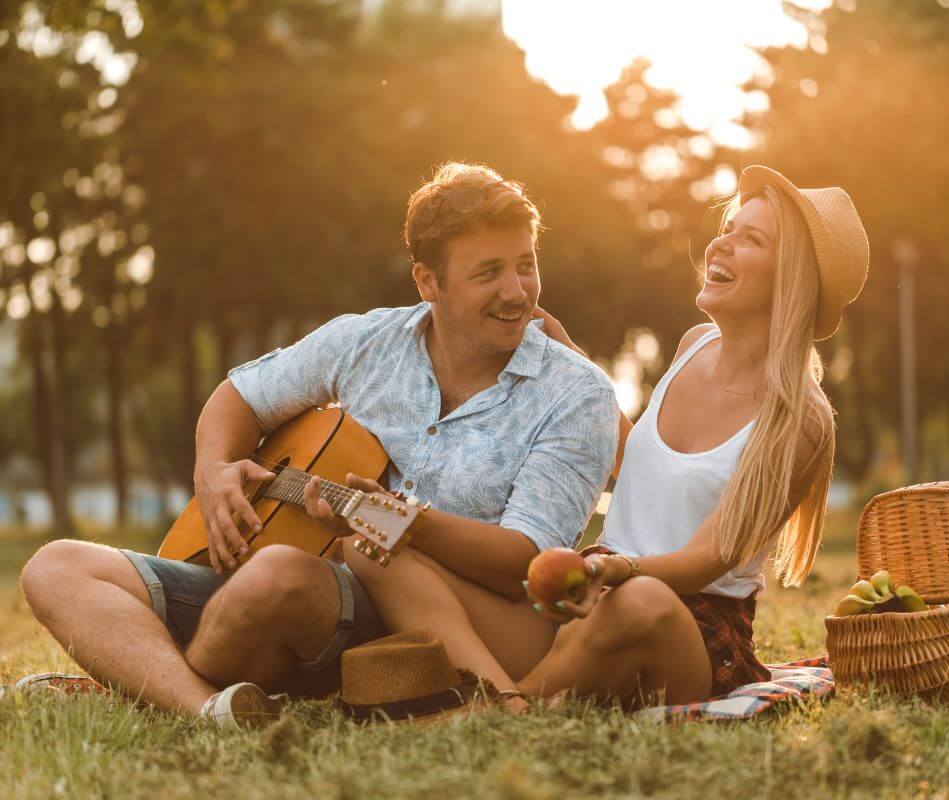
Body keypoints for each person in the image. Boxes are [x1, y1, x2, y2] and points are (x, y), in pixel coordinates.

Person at [18, 162, 619, 726]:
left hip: (425, 615)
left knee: (278, 574)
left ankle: (140, 674)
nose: (518, 291)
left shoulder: (576, 394)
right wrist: (214, 468)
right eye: (489, 272)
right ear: (427, 281)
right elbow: (240, 396)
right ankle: (207, 710)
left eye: (525, 264)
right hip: (283, 589)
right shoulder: (364, 342)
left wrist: (398, 523)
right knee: (56, 565)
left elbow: (530, 559)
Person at [354, 164, 868, 709]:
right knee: (374, 546)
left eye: (751, 239)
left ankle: (499, 708)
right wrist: (573, 359)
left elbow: (709, 557)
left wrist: (620, 571)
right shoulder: (694, 345)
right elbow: (638, 462)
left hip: (687, 627)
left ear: (792, 277)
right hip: (597, 597)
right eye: (730, 228)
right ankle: (503, 698)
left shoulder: (801, 418)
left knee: (640, 601)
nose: (722, 242)